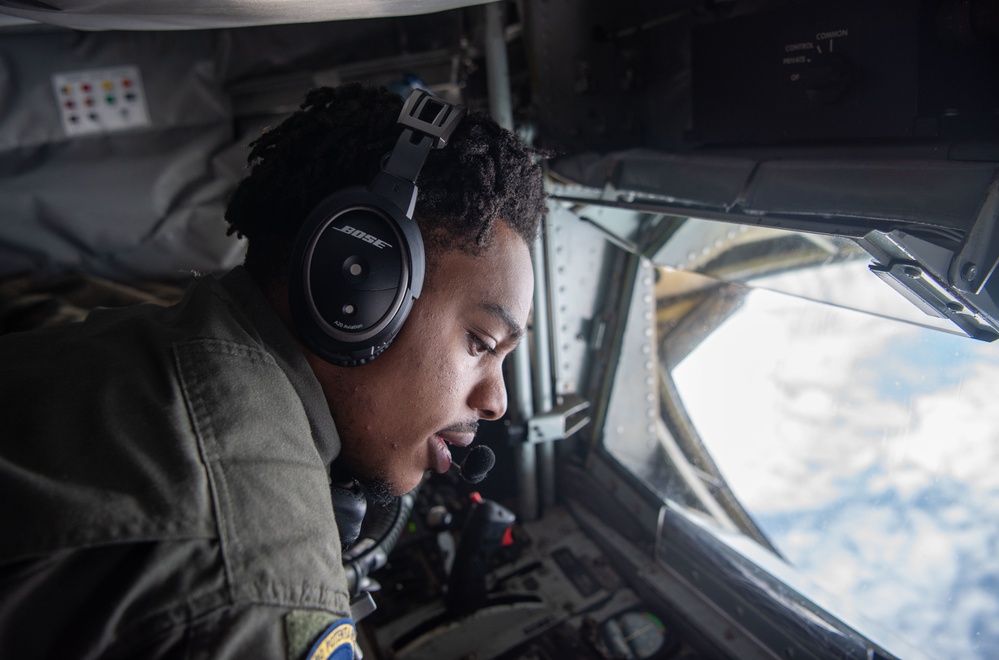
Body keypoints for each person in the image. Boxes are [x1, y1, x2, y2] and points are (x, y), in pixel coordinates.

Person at [0, 83, 547, 659]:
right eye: (482, 343)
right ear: (355, 283)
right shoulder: (263, 587)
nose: (496, 402)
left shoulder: (163, 334)